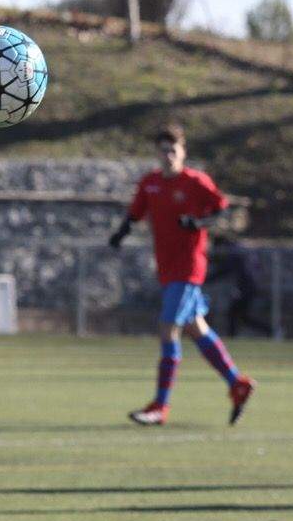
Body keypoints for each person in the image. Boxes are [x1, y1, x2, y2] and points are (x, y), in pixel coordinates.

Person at [108, 124, 256, 426]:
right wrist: (121, 232)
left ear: (183, 153)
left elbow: (222, 211)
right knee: (196, 329)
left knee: (167, 328)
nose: (168, 155)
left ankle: (160, 406)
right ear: (157, 153)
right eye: (163, 150)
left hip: (189, 268)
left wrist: (199, 223)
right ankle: (236, 383)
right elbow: (135, 213)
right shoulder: (150, 183)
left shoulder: (196, 182)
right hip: (167, 267)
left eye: (173, 150)